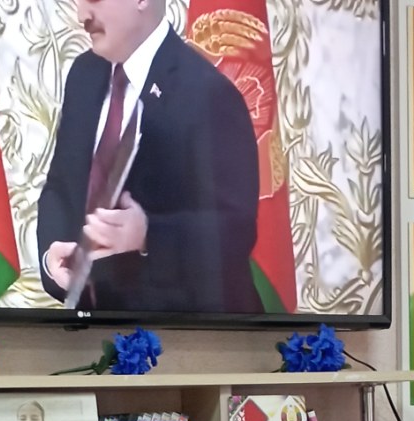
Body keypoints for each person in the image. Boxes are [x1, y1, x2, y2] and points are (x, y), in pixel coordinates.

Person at [36, 0, 260, 314]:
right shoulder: (83, 75)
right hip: (96, 325)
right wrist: (51, 258)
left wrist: (147, 235)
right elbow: (61, 186)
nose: (82, 14)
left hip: (189, 331)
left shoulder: (209, 93)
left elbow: (235, 231)